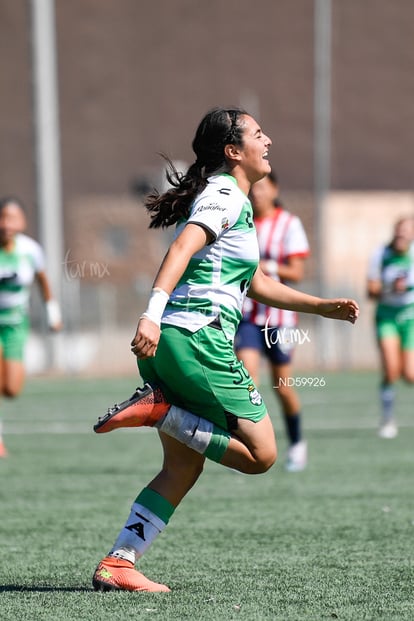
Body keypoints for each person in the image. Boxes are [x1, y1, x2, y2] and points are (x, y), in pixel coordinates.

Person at [92, 107, 359, 593]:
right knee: (262, 454)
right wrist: (150, 312)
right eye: (259, 134)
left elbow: (253, 281)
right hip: (196, 338)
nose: (270, 141)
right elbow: (180, 251)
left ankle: (120, 562)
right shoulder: (223, 194)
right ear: (233, 151)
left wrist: (321, 307)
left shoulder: (235, 199)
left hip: (173, 342)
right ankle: (161, 413)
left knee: (182, 465)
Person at [234, 172, 310, 472]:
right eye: (254, 189)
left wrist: (268, 266)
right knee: (246, 381)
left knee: (282, 386)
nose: (258, 194)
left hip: (281, 321)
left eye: (263, 188)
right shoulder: (243, 219)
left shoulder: (289, 224)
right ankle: (245, 447)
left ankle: (297, 443)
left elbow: (297, 272)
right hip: (249, 317)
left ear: (275, 189)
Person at [0, 196, 62, 457]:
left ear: (22, 221)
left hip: (16, 324)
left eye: (12, 218)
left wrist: (52, 313)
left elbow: (42, 282)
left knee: (11, 389)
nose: (6, 224)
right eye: (2, 218)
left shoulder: (31, 250)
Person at [367, 216, 414, 439]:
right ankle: (387, 419)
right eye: (399, 230)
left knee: (410, 374)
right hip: (386, 316)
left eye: (407, 231)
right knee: (391, 370)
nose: (402, 235)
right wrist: (389, 287)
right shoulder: (381, 254)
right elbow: (370, 290)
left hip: (411, 317)